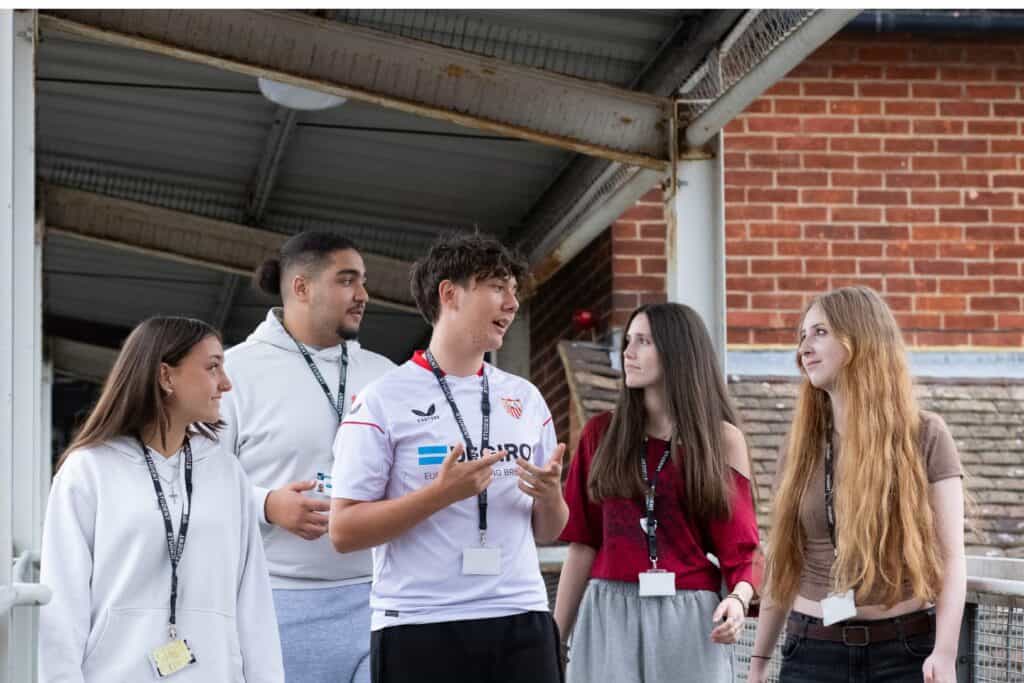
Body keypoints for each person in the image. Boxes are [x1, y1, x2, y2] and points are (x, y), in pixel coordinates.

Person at [329, 233, 567, 683]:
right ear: (450, 293)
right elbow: (343, 531)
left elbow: (548, 530)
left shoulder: (525, 397)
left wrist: (551, 497)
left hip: (522, 614)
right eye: (498, 287)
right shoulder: (383, 399)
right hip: (421, 622)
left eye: (514, 291)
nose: (512, 304)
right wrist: (439, 496)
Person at [38, 316, 283, 682]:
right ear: (166, 376)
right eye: (213, 367)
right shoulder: (88, 469)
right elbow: (62, 602)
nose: (226, 384)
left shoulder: (227, 473)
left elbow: (253, 601)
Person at [749, 286, 966, 683]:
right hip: (811, 652)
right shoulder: (799, 450)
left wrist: (945, 652)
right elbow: (783, 563)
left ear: (859, 340)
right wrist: (759, 661)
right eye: (802, 336)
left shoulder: (925, 435)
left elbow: (951, 557)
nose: (804, 348)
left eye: (819, 333)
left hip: (904, 652)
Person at [220, 231, 395, 683]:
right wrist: (266, 505)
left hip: (379, 598)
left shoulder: (385, 376)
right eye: (347, 280)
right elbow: (196, 480)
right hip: (275, 602)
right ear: (301, 287)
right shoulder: (233, 373)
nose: (363, 295)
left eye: (363, 282)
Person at [553, 302, 760, 683]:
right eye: (628, 340)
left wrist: (738, 599)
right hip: (608, 612)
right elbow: (582, 544)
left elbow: (742, 551)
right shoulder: (600, 435)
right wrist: (554, 640)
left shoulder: (721, 440)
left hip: (690, 617)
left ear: (677, 351)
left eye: (643, 341)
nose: (628, 352)